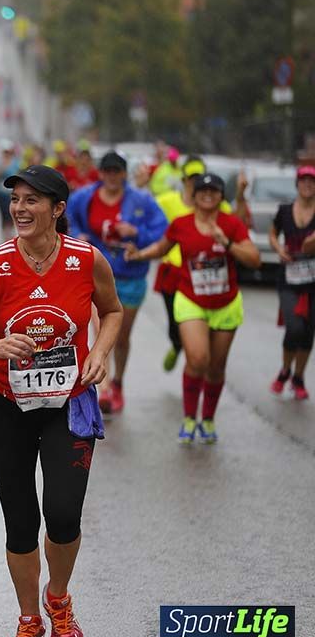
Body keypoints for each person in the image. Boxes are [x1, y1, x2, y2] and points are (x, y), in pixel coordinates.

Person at [0, 165, 122, 637]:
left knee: (63, 514)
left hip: (68, 404)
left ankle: (58, 599)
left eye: (31, 201)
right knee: (20, 520)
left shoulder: (87, 260)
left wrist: (100, 352)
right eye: (15, 200)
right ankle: (29, 621)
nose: (19, 209)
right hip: (5, 403)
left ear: (58, 209)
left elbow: (112, 311)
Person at [126, 173, 260, 443]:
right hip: (191, 299)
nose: (208, 194)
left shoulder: (230, 224)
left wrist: (227, 244)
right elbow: (162, 248)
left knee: (216, 366)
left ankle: (207, 420)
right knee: (198, 358)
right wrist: (139, 254)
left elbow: (254, 259)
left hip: (225, 303)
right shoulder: (181, 224)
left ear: (221, 196)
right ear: (194, 194)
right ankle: (189, 418)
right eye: (203, 190)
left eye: (214, 190)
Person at [66, 151, 168, 414]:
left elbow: (163, 233)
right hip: (97, 276)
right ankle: (105, 389)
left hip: (131, 276)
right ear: (101, 173)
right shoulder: (84, 197)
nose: (111, 176)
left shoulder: (142, 201)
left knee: (121, 337)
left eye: (117, 171)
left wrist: (136, 233)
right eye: (107, 171)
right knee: (102, 332)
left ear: (124, 173)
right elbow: (66, 218)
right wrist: (80, 236)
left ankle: (119, 382)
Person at [154, 156, 249, 372]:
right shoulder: (169, 200)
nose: (195, 182)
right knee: (174, 327)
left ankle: (192, 352)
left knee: (201, 345)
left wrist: (241, 196)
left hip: (206, 273)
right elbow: (148, 216)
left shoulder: (216, 202)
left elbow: (237, 224)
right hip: (174, 270)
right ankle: (179, 345)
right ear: (185, 180)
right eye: (191, 178)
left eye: (199, 177)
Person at [268, 165, 315, 399]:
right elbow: (272, 234)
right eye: (303, 180)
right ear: (297, 184)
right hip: (289, 277)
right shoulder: (285, 210)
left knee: (308, 332)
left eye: (312, 181)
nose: (307, 185)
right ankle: (285, 369)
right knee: (294, 327)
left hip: (313, 280)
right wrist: (279, 249)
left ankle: (298, 378)